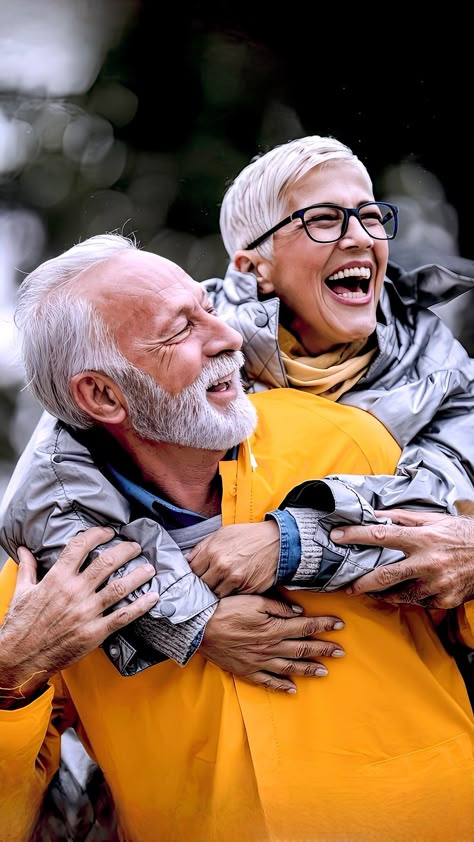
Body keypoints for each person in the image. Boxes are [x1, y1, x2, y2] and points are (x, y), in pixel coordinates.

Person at [0, 241, 473, 842]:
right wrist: (12, 670)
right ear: (102, 395)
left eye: (206, 307)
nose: (228, 335)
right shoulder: (47, 581)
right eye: (181, 330)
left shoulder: (349, 436)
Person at [188, 133, 474, 610]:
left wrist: (289, 543)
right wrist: (189, 624)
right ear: (254, 267)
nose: (361, 237)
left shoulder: (444, 372)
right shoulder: (173, 352)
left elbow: (436, 513)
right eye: (323, 219)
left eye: (370, 217)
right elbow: (66, 510)